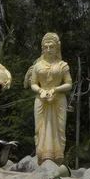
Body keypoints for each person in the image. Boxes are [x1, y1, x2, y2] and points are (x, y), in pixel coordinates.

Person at [29, 33, 73, 165]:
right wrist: (41, 90)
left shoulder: (62, 65)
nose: (48, 50)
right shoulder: (37, 66)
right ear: (42, 48)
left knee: (59, 127)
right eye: (46, 47)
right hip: (41, 99)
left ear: (57, 48)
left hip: (58, 100)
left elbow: (69, 84)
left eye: (51, 47)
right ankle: (42, 155)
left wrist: (55, 89)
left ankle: (57, 156)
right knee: (41, 127)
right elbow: (33, 84)